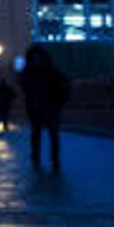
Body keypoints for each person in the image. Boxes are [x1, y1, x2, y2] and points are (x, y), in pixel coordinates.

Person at [19, 45, 69, 173]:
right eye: (34, 58)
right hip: (35, 107)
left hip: (50, 106)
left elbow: (63, 87)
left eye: (38, 58)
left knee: (52, 134)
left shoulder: (53, 73)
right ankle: (37, 157)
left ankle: (54, 160)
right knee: (37, 133)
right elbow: (25, 90)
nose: (37, 61)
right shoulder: (28, 74)